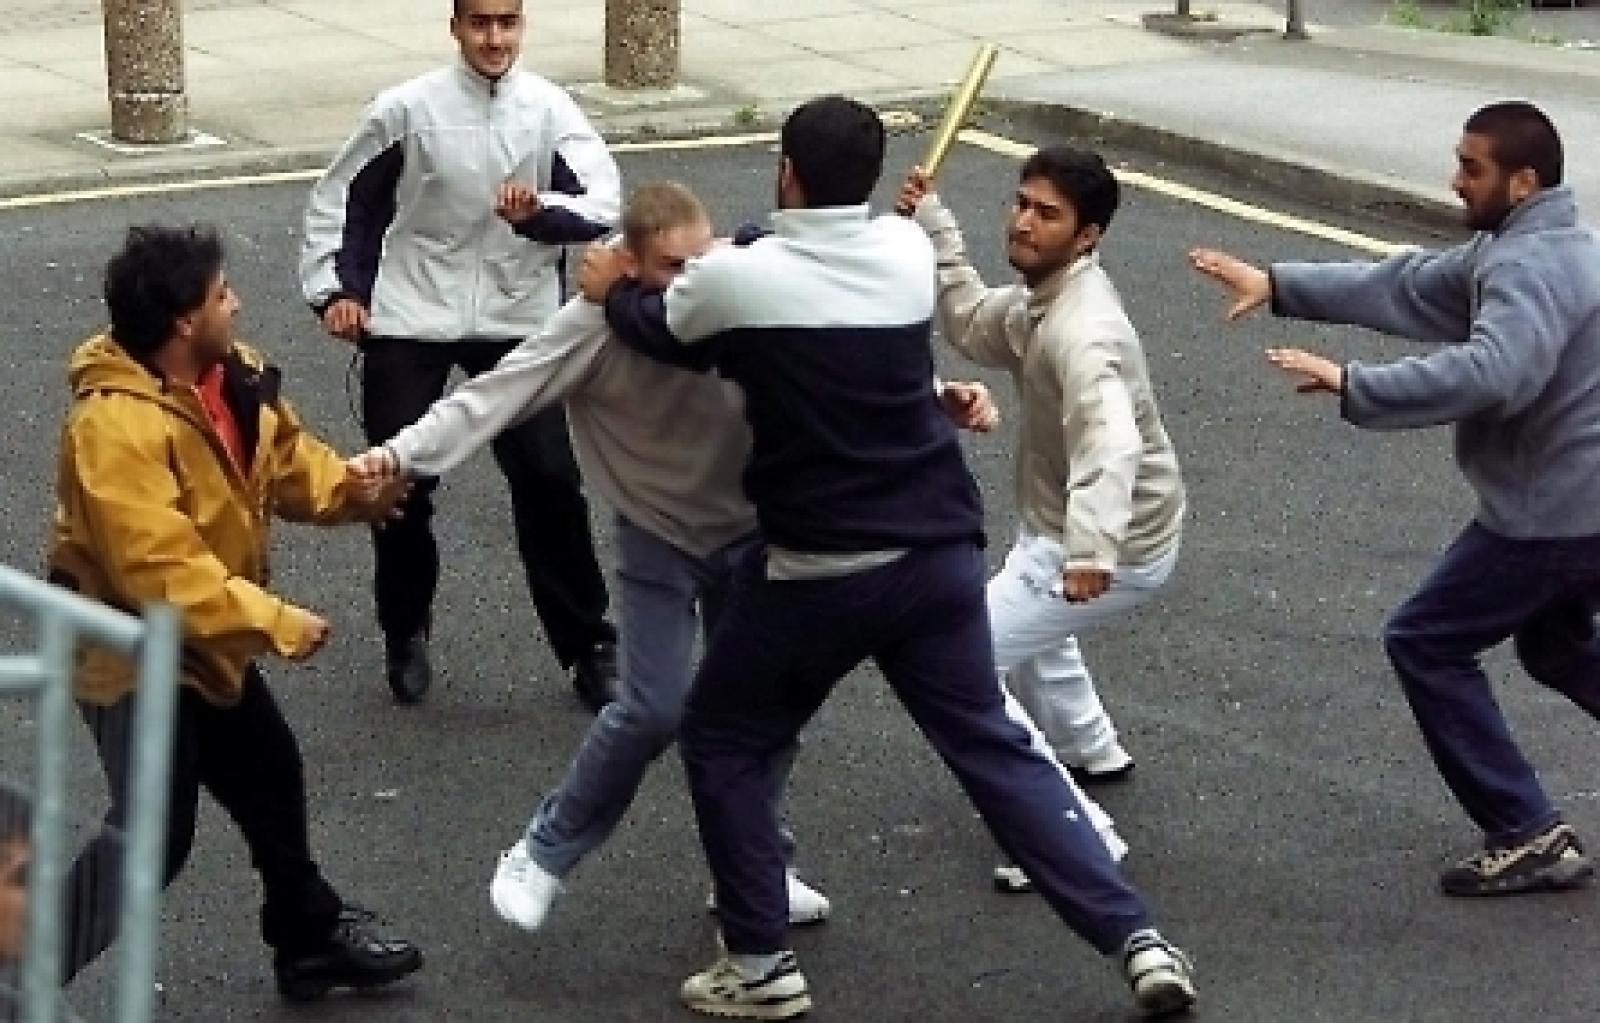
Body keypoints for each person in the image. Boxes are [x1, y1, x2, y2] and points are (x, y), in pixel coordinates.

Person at [582, 96, 1196, 1020]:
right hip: (936, 553)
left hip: (819, 567)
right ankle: (1135, 936)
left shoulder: (740, 279)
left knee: (724, 735)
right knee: (990, 744)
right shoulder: (905, 253)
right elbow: (929, 292)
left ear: (787, 171)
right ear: (870, 180)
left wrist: (610, 287)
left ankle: (760, 962)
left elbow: (659, 323)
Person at [1190, 100, 1600, 897]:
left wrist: (1357, 384)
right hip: (1582, 504)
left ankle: (1528, 833)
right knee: (1555, 645)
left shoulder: (1526, 267)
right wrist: (1276, 284)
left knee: (1425, 640)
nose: (1455, 179)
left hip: (1551, 514)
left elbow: (1494, 373)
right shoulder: (1542, 243)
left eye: (1471, 167)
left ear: (1523, 181)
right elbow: (1408, 284)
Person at [49, 224, 423, 1001]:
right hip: (128, 656)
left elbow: (287, 460)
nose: (237, 303)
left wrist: (353, 491)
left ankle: (307, 937)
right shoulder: (112, 429)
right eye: (222, 294)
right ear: (184, 320)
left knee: (268, 770)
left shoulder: (232, 375)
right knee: (153, 835)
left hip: (201, 642)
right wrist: (274, 621)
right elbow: (161, 569)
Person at [299, 0, 621, 709]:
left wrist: (537, 214)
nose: (494, 38)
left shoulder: (549, 109)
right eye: (480, 23)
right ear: (455, 27)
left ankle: (589, 646)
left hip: (516, 312)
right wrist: (337, 291)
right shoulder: (406, 109)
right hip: (413, 308)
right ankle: (405, 630)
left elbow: (603, 203)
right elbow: (344, 199)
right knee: (400, 481)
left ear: (522, 25)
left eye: (507, 23)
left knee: (548, 479)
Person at [897, 147, 1185, 893]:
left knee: (962, 664)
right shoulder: (1044, 299)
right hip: (1063, 525)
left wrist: (1091, 550)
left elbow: (1111, 440)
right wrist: (933, 223)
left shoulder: (1083, 331)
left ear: (1088, 235)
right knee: (1030, 624)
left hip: (1107, 541)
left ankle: (1075, 834)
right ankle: (1090, 745)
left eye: (1047, 214)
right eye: (1021, 203)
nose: (1023, 222)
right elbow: (970, 323)